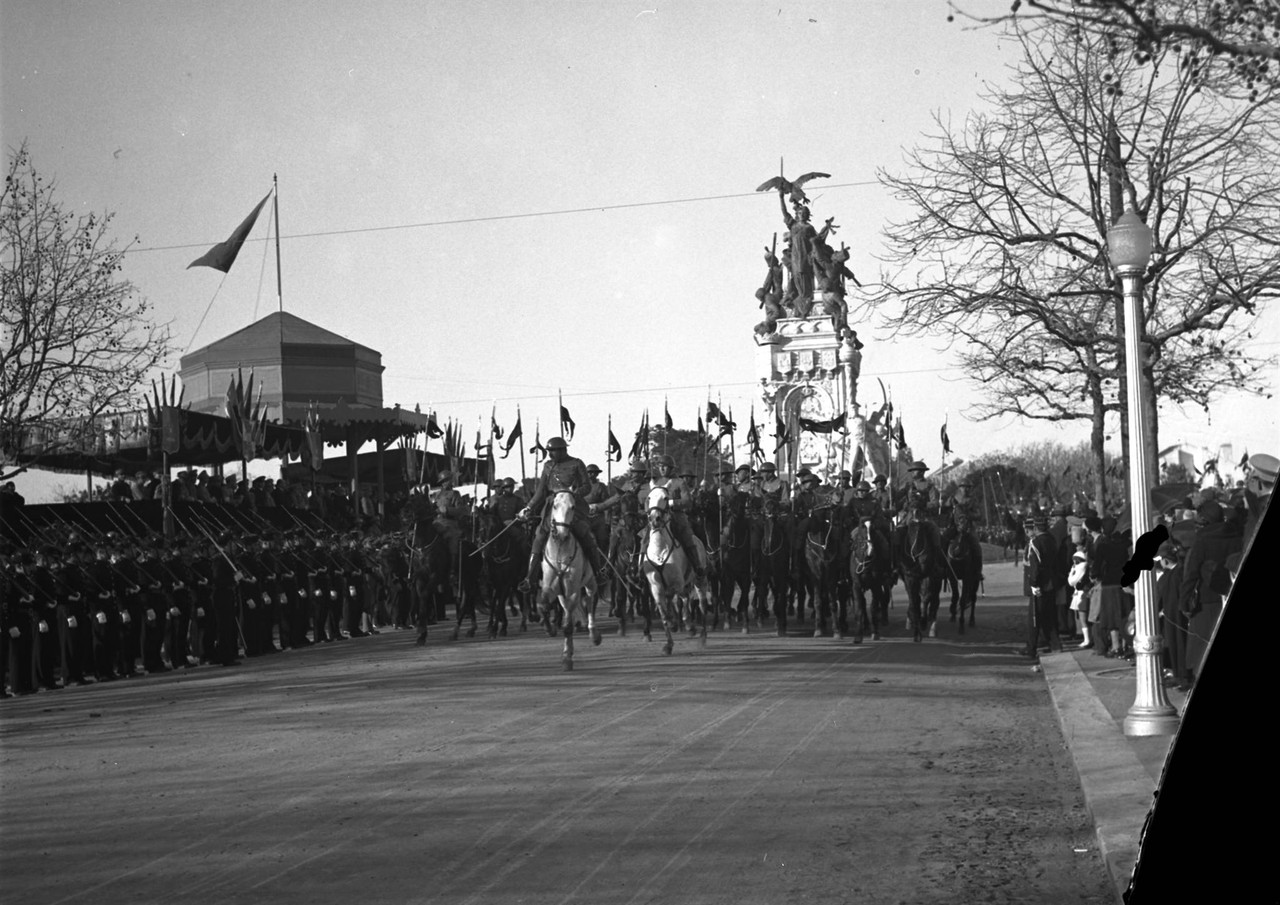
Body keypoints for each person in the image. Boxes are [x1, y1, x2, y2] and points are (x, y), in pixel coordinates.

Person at [518, 437, 608, 592]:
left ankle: (598, 572)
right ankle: (529, 578)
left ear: (562, 450)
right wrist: (529, 507)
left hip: (572, 506)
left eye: (553, 451)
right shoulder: (548, 466)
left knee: (586, 535)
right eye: (549, 451)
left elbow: (586, 487)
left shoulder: (577, 463)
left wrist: (571, 493)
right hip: (552, 507)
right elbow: (541, 491)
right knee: (539, 536)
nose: (550, 454)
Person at [1179, 499, 1243, 685]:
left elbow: (1190, 574)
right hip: (1228, 592)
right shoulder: (1237, 536)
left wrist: (1184, 602)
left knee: (1202, 648)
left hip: (1206, 600)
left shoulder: (1202, 540)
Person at [637, 454, 707, 582]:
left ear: (671, 468)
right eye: (660, 467)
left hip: (677, 518)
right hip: (658, 518)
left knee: (687, 538)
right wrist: (650, 510)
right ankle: (639, 568)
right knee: (644, 538)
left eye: (665, 467)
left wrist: (671, 503)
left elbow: (687, 501)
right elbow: (648, 500)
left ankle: (697, 566)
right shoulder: (655, 483)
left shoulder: (680, 482)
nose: (662, 469)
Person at [1023, 515, 1062, 658]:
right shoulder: (1051, 540)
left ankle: (1031, 648)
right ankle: (1055, 645)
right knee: (1050, 615)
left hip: (1040, 584)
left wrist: (1033, 583)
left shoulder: (1035, 543)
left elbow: (1035, 566)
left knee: (1034, 618)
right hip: (1051, 582)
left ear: (1035, 528)